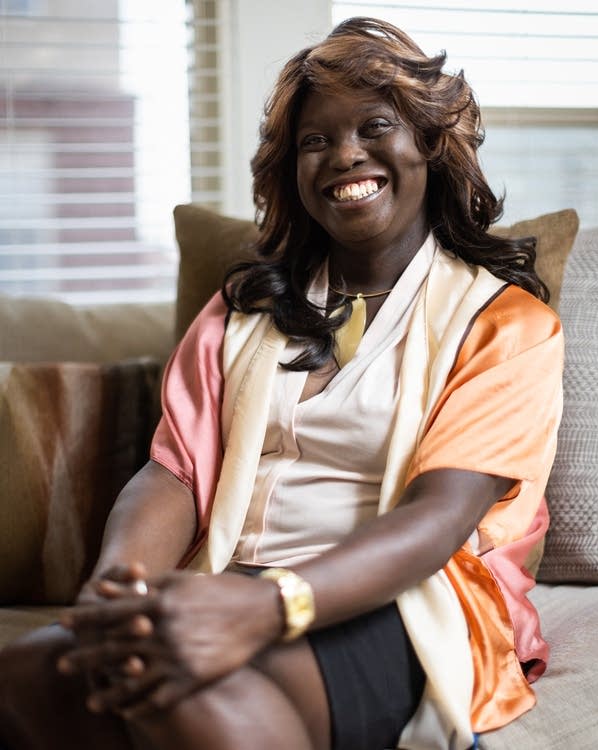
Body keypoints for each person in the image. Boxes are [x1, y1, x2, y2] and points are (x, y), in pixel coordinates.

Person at [0, 16, 563, 750]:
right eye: (315, 140)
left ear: (429, 141)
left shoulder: (504, 324)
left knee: (187, 697)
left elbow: (440, 518)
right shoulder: (243, 313)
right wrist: (120, 594)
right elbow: (174, 473)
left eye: (376, 126)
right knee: (32, 671)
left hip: (409, 599)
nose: (344, 154)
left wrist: (266, 608)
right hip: (231, 576)